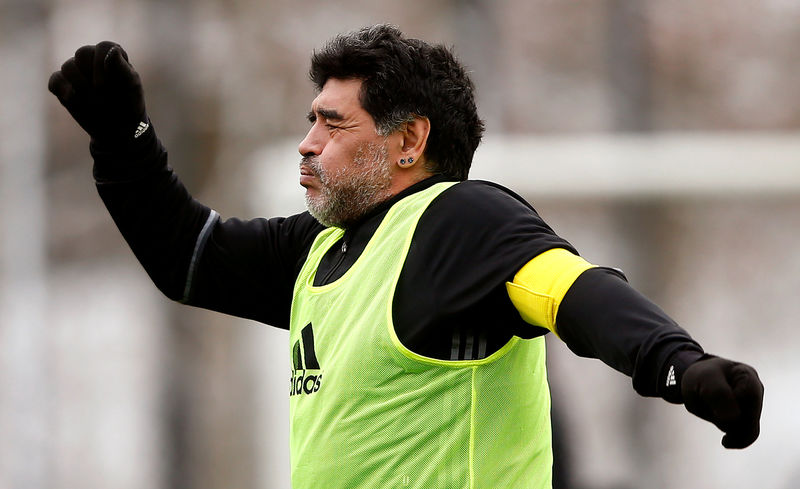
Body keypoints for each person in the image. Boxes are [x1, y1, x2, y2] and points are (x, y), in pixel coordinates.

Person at [48, 24, 763, 489]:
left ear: (409, 141)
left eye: (332, 123)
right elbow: (187, 257)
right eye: (310, 121)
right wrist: (123, 139)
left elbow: (571, 290)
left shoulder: (459, 218)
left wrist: (678, 360)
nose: (307, 142)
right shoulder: (321, 245)